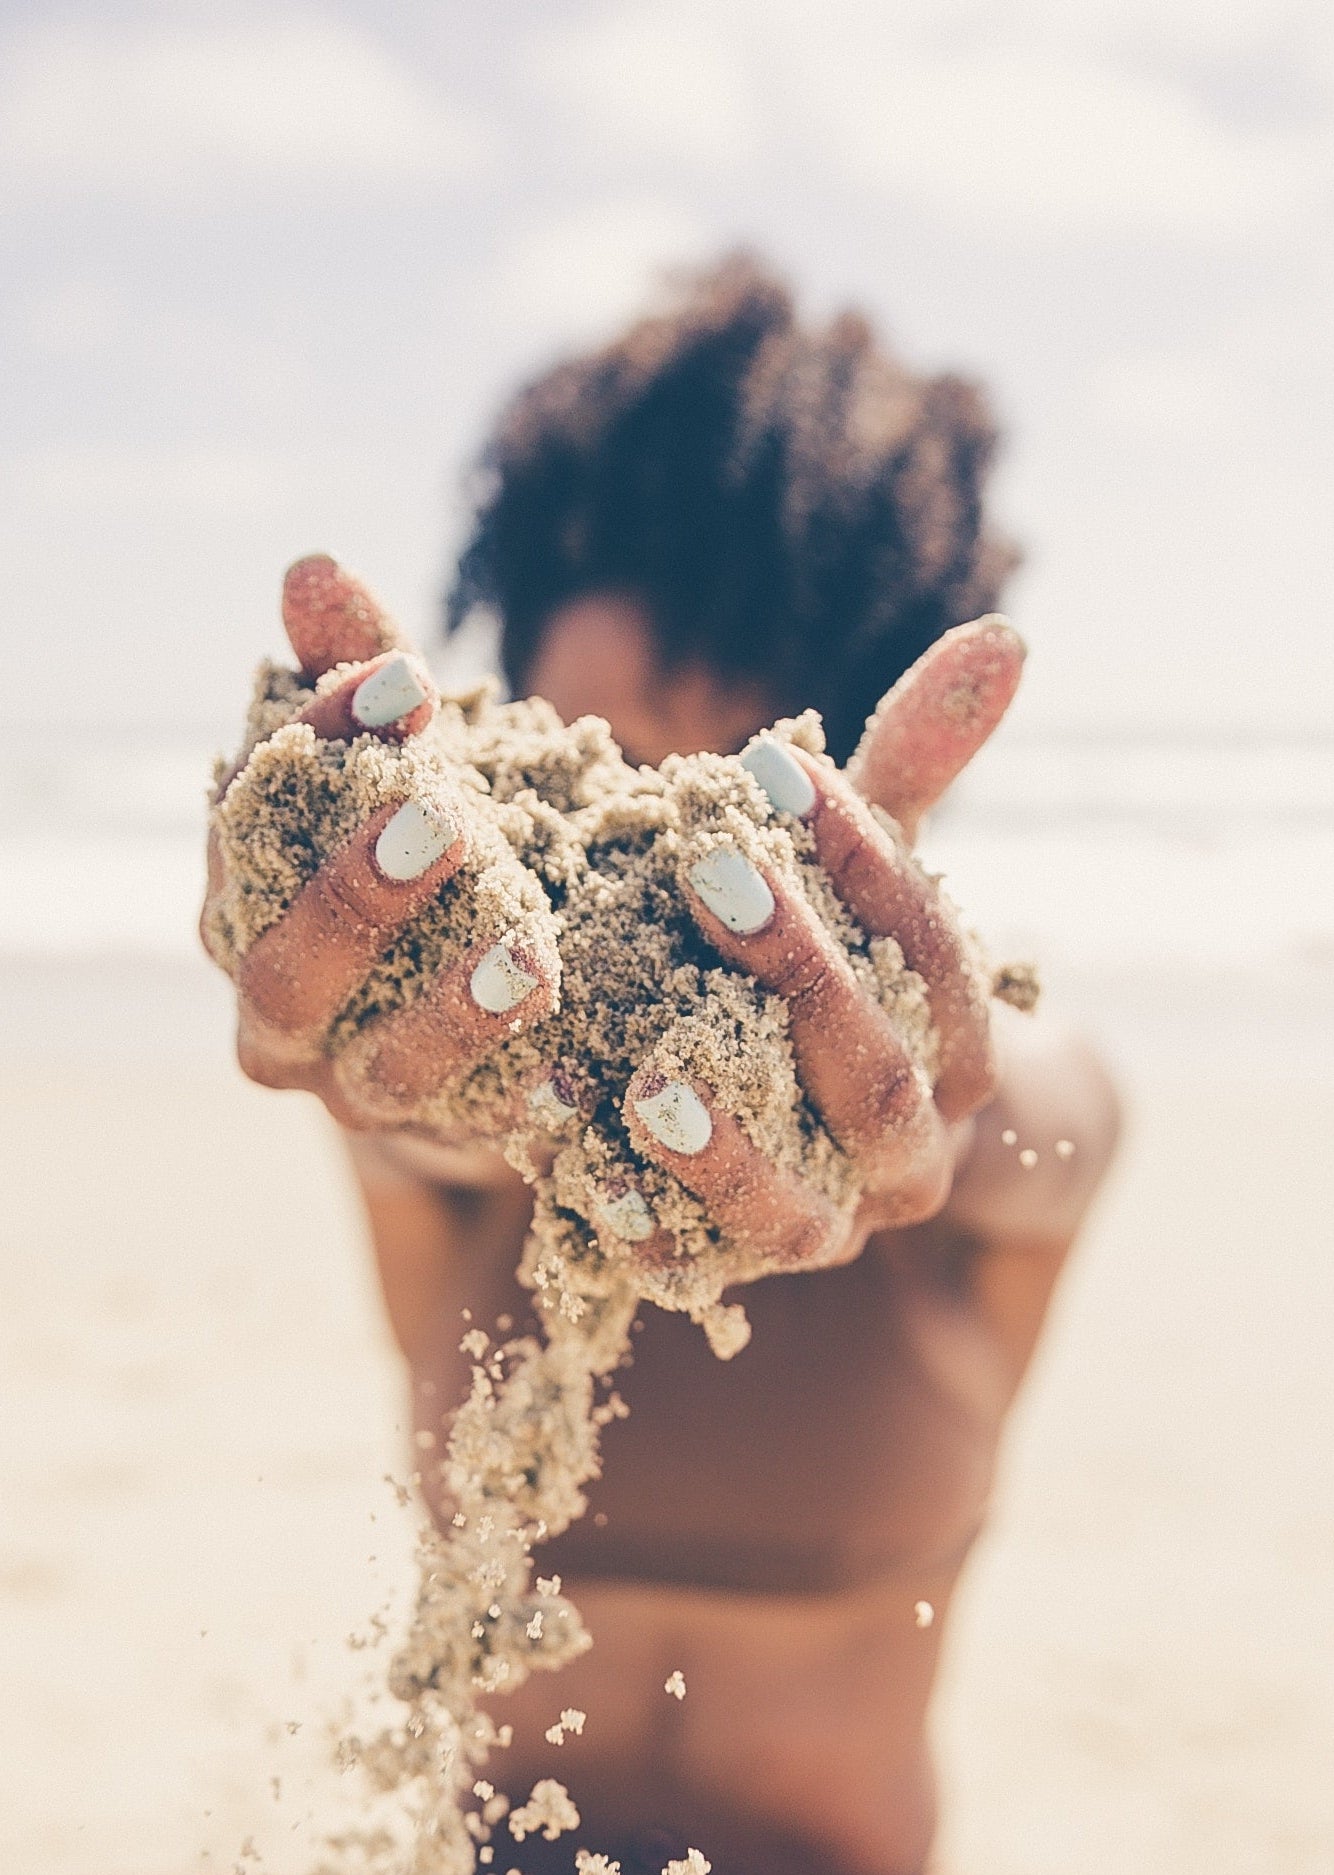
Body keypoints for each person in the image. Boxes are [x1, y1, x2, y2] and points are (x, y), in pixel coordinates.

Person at [203, 256, 1120, 1875]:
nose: (650, 878)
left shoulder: (990, 1135)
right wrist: (447, 1084)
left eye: (727, 815)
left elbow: (1043, 1129)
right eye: (603, 786)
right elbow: (420, 1142)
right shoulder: (457, 1104)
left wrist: (919, 1099)